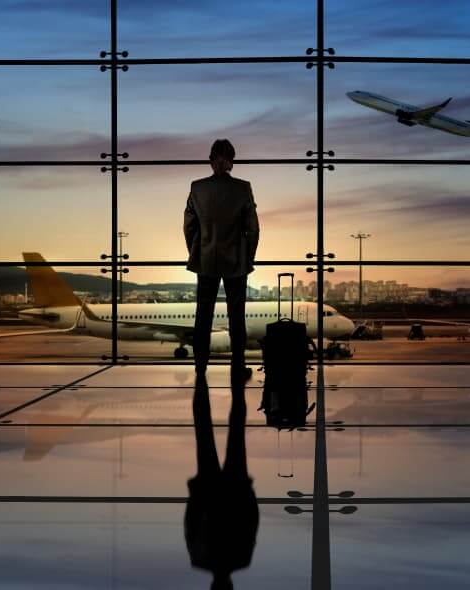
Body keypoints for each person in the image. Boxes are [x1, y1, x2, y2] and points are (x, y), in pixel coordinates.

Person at [184, 139, 259, 380]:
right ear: (231, 161)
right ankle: (237, 366)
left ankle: (200, 366)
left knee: (203, 316)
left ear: (211, 159)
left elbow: (189, 227)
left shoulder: (197, 188)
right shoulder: (243, 188)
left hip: (206, 260)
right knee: (237, 317)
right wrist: (247, 257)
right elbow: (253, 229)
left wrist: (197, 251)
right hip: (236, 262)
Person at [185, 374, 259, 590]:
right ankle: (202, 381)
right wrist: (195, 494)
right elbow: (190, 524)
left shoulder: (242, 560)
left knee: (236, 430)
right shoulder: (199, 560)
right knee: (203, 429)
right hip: (208, 490)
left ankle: (236, 389)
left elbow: (251, 522)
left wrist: (249, 492)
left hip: (236, 489)